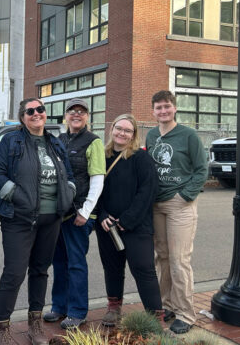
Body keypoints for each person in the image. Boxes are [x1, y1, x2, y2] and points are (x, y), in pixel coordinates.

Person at [0, 98, 76, 345]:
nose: (36, 113)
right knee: (14, 273)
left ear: (45, 114)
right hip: (19, 219)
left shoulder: (55, 143)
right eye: (30, 111)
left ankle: (35, 326)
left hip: (51, 219)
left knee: (40, 272)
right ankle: (2, 329)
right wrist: (18, 198)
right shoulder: (11, 141)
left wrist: (68, 194)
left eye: (40, 109)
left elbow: (69, 175)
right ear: (22, 117)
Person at [145, 90, 207, 334]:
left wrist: (185, 196)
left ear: (174, 108)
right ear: (153, 111)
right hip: (156, 205)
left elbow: (202, 169)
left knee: (180, 260)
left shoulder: (188, 135)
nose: (163, 111)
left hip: (179, 203)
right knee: (163, 257)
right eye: (159, 107)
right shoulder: (151, 135)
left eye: (167, 107)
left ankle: (186, 313)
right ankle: (166, 305)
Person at [95, 114, 162, 327]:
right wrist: (102, 215)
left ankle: (155, 317)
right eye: (118, 128)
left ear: (133, 135)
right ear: (111, 129)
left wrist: (127, 220)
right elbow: (94, 190)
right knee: (112, 268)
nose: (122, 133)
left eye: (127, 130)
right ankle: (114, 308)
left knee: (143, 269)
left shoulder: (141, 159)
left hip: (136, 225)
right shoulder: (101, 157)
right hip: (107, 226)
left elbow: (147, 192)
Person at [44, 98, 105, 329]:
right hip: (60, 213)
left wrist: (86, 211)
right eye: (72, 111)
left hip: (80, 214)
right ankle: (59, 307)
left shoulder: (93, 142)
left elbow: (97, 180)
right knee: (59, 261)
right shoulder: (59, 140)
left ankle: (77, 311)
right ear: (65, 116)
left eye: (81, 111)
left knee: (76, 263)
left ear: (87, 117)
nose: (76, 114)